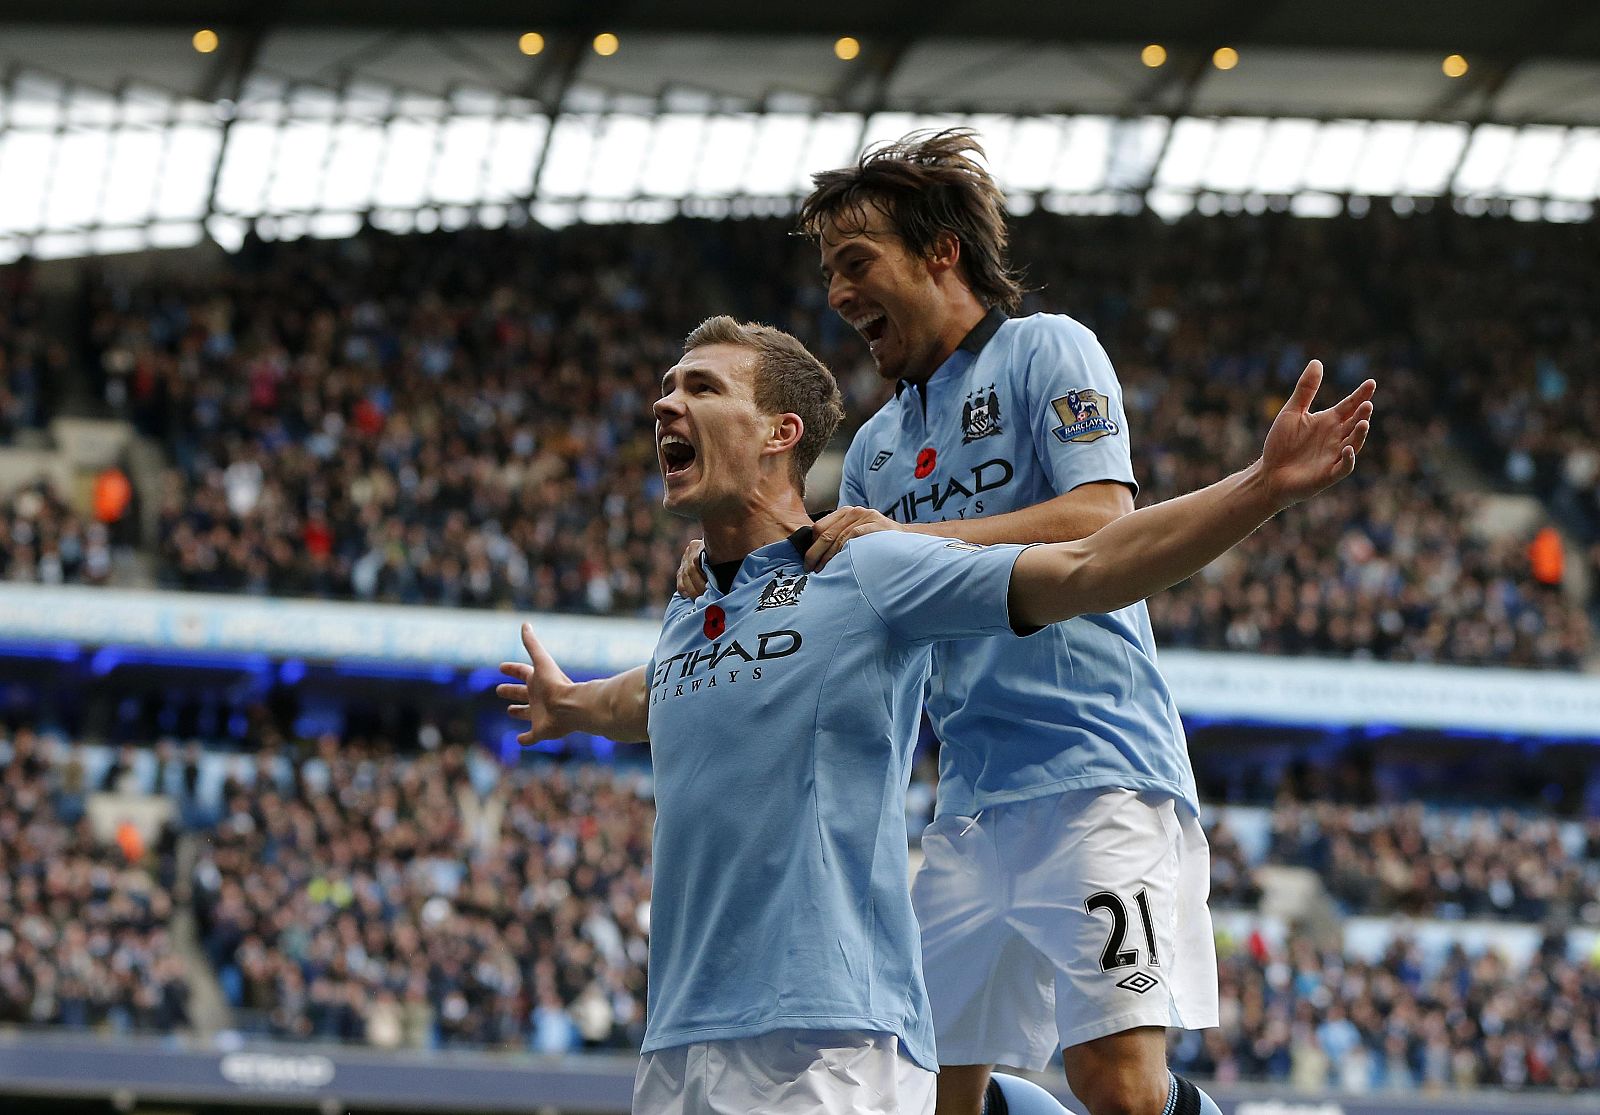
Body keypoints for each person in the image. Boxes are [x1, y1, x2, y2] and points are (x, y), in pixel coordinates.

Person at [499, 314, 1374, 1113]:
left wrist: (1263, 486)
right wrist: (571, 704)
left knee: (1118, 1087)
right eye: (667, 384)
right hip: (679, 1040)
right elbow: (657, 691)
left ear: (780, 433)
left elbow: (1083, 570)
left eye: (700, 386)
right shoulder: (694, 607)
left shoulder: (868, 569)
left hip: (827, 1039)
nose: (665, 401)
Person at [675, 129, 1229, 1115]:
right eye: (831, 272)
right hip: (971, 802)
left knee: (1118, 1084)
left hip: (1102, 769)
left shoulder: (1043, 349)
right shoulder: (879, 445)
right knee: (934, 1094)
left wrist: (917, 535)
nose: (840, 295)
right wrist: (732, 570)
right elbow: (856, 577)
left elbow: (1104, 518)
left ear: (940, 252)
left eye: (856, 263)